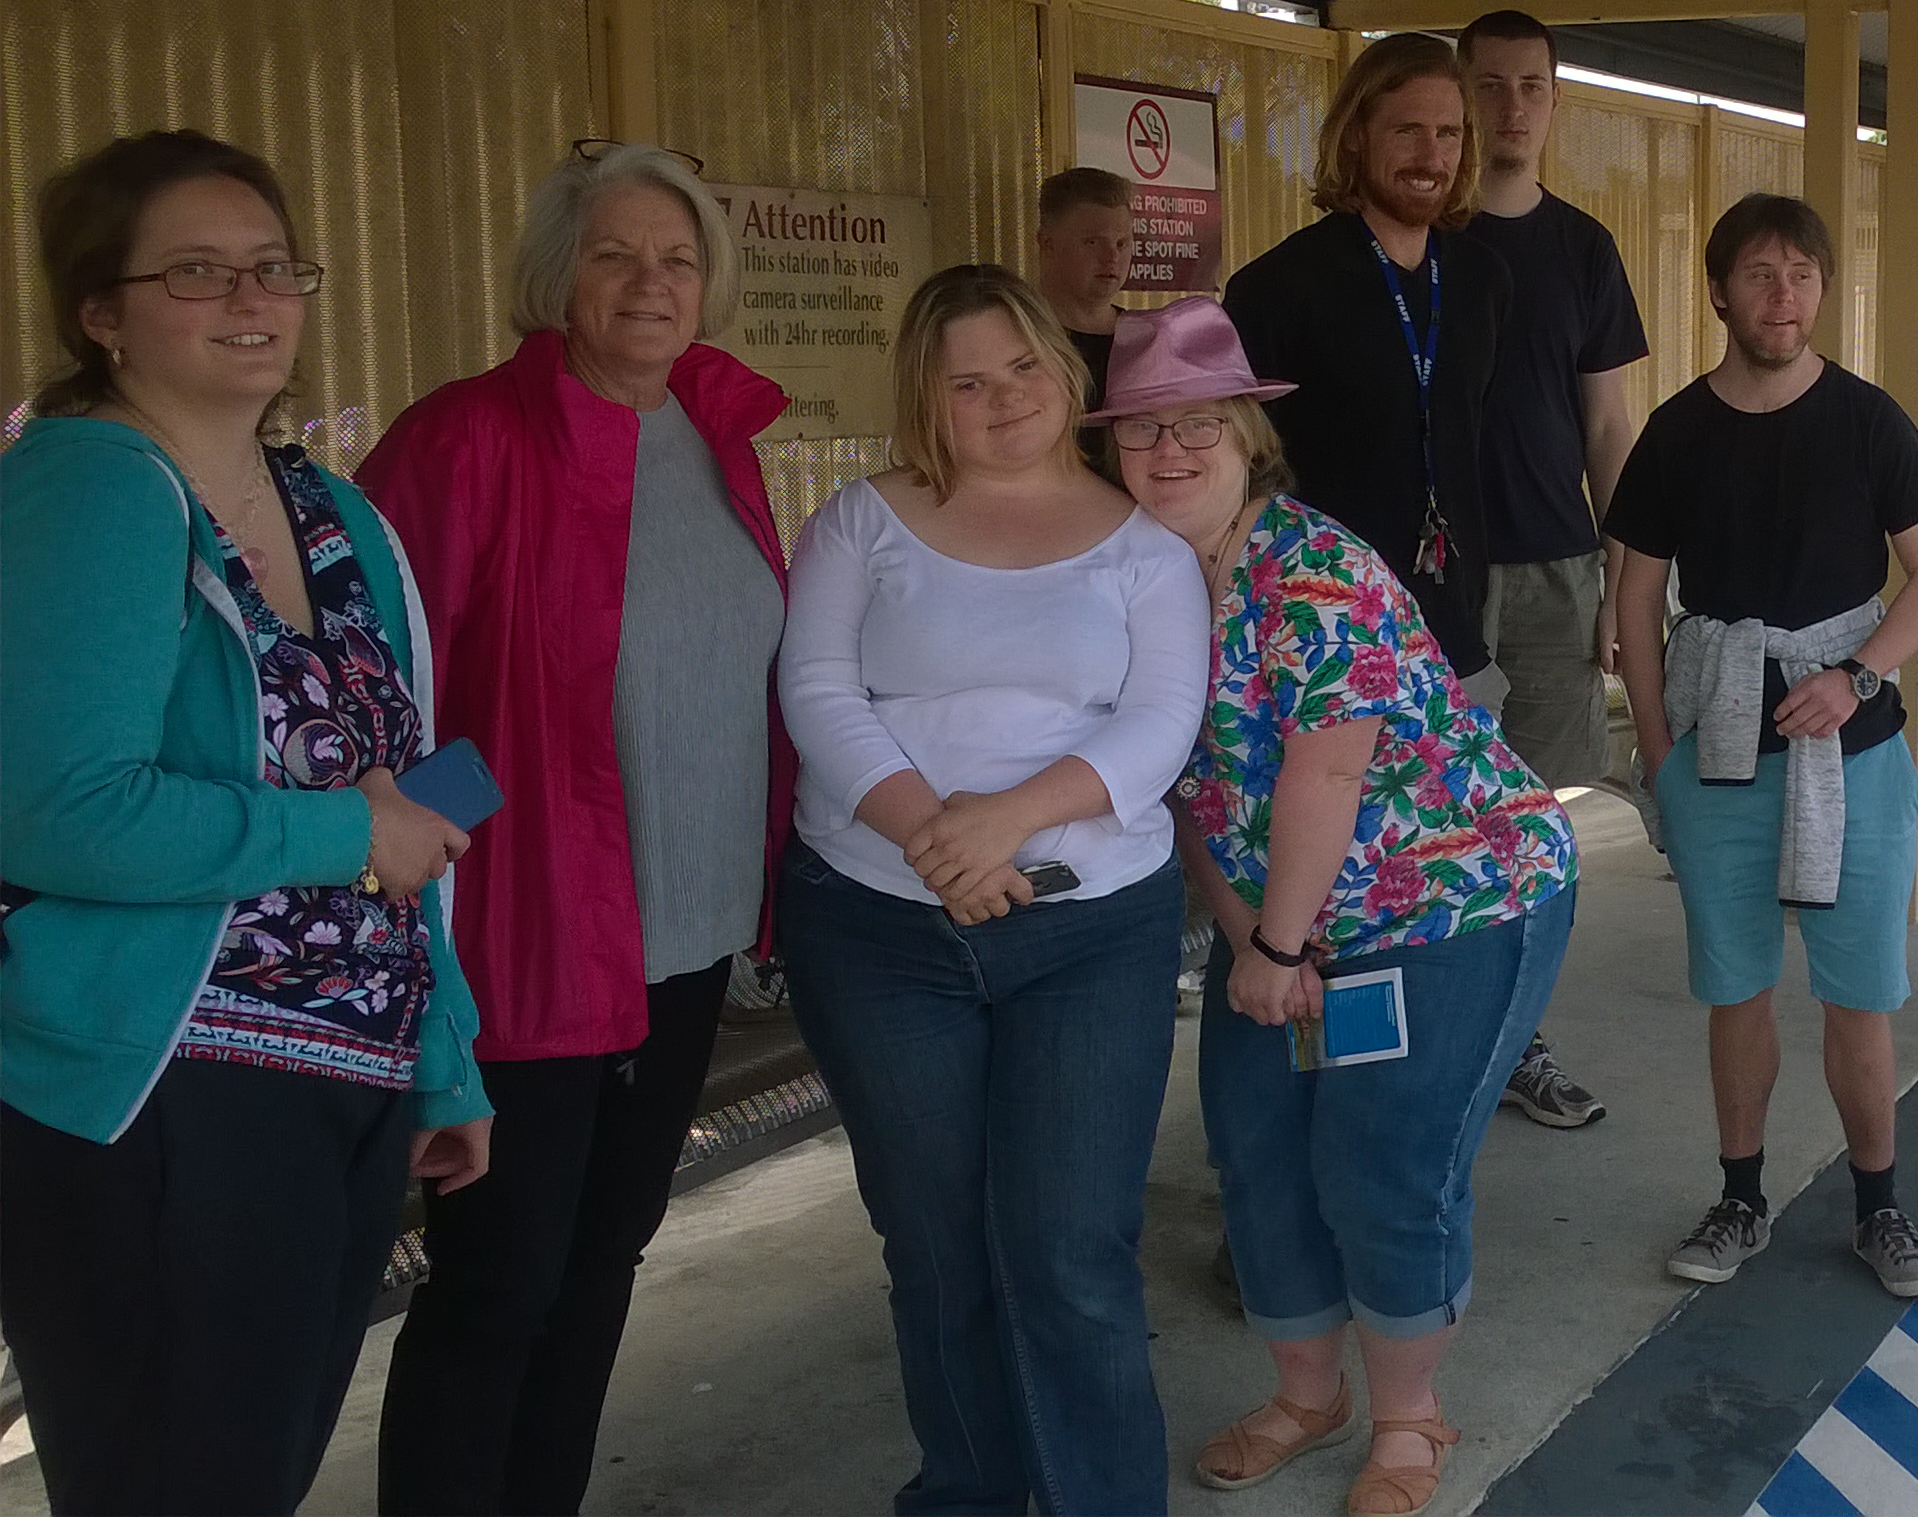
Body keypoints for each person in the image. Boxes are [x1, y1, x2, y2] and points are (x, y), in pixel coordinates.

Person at [0, 130, 489, 1514]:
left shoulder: (336, 510)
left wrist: (443, 1056)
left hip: (351, 1077)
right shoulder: (86, 487)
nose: (249, 300)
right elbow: (53, 815)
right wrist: (341, 836)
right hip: (166, 1092)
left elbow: (431, 783)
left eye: (273, 269)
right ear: (103, 313)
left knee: (251, 1479)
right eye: (198, 273)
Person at [358, 139, 791, 1516]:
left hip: (689, 929)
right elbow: (383, 705)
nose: (650, 283)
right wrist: (491, 819)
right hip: (531, 933)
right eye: (616, 254)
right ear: (558, 275)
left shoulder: (722, 434)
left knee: (608, 1258)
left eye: (677, 258)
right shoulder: (465, 436)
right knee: (501, 1284)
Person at [1101, 296, 1576, 1517]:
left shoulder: (1309, 568)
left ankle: (1411, 1422)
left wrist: (1278, 941)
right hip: (1283, 923)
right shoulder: (1139, 584)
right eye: (1143, 428)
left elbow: (1327, 766)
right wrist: (1255, 944)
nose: (1171, 452)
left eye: (1201, 424)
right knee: (1259, 1155)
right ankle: (1309, 1399)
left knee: (1384, 1164)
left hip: (1451, 902)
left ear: (1252, 434)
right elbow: (1191, 794)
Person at [777, 266, 1209, 1516]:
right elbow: (818, 692)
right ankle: (967, 1493)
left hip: (1087, 931)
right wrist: (932, 838)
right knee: (934, 1247)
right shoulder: (858, 522)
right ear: (927, 397)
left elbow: (1162, 719)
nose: (1003, 397)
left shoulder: (1142, 544)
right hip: (877, 927)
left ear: (1062, 372)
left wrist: (1006, 821)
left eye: (1021, 367)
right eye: (967, 380)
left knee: (1072, 1250)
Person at [1609, 194, 1918, 1299]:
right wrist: (1662, 746)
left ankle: (1880, 1205)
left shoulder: (1867, 420)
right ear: (1718, 291)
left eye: (1802, 274)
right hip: (1718, 754)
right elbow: (1638, 594)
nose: (1783, 295)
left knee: (1861, 992)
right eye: (1759, 274)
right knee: (1737, 989)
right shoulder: (1677, 428)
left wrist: (1853, 679)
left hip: (1856, 757)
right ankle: (1741, 1196)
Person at [1457, 7, 1650, 1134]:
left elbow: (1610, 428)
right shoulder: (1413, 239)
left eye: (1530, 85)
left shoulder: (1583, 249)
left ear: (1554, 99)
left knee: (1529, 822)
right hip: (1426, 581)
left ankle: (1518, 1036)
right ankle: (1440, 1038)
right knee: (1417, 816)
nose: (1510, 106)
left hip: (1552, 570)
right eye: (1489, 86)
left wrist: (1628, 585)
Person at [1223, 32, 1507, 681]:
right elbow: (1239, 473)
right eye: (1407, 130)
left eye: (1449, 133)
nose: (1430, 156)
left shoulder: (1485, 279)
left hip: (1454, 640)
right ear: (1355, 134)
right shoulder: (1276, 287)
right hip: (1322, 642)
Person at [1036, 166, 1139, 401]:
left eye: (1121, 243)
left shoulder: (1146, 343)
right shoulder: (1018, 338)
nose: (1111, 257)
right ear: (1047, 242)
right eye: (1092, 242)